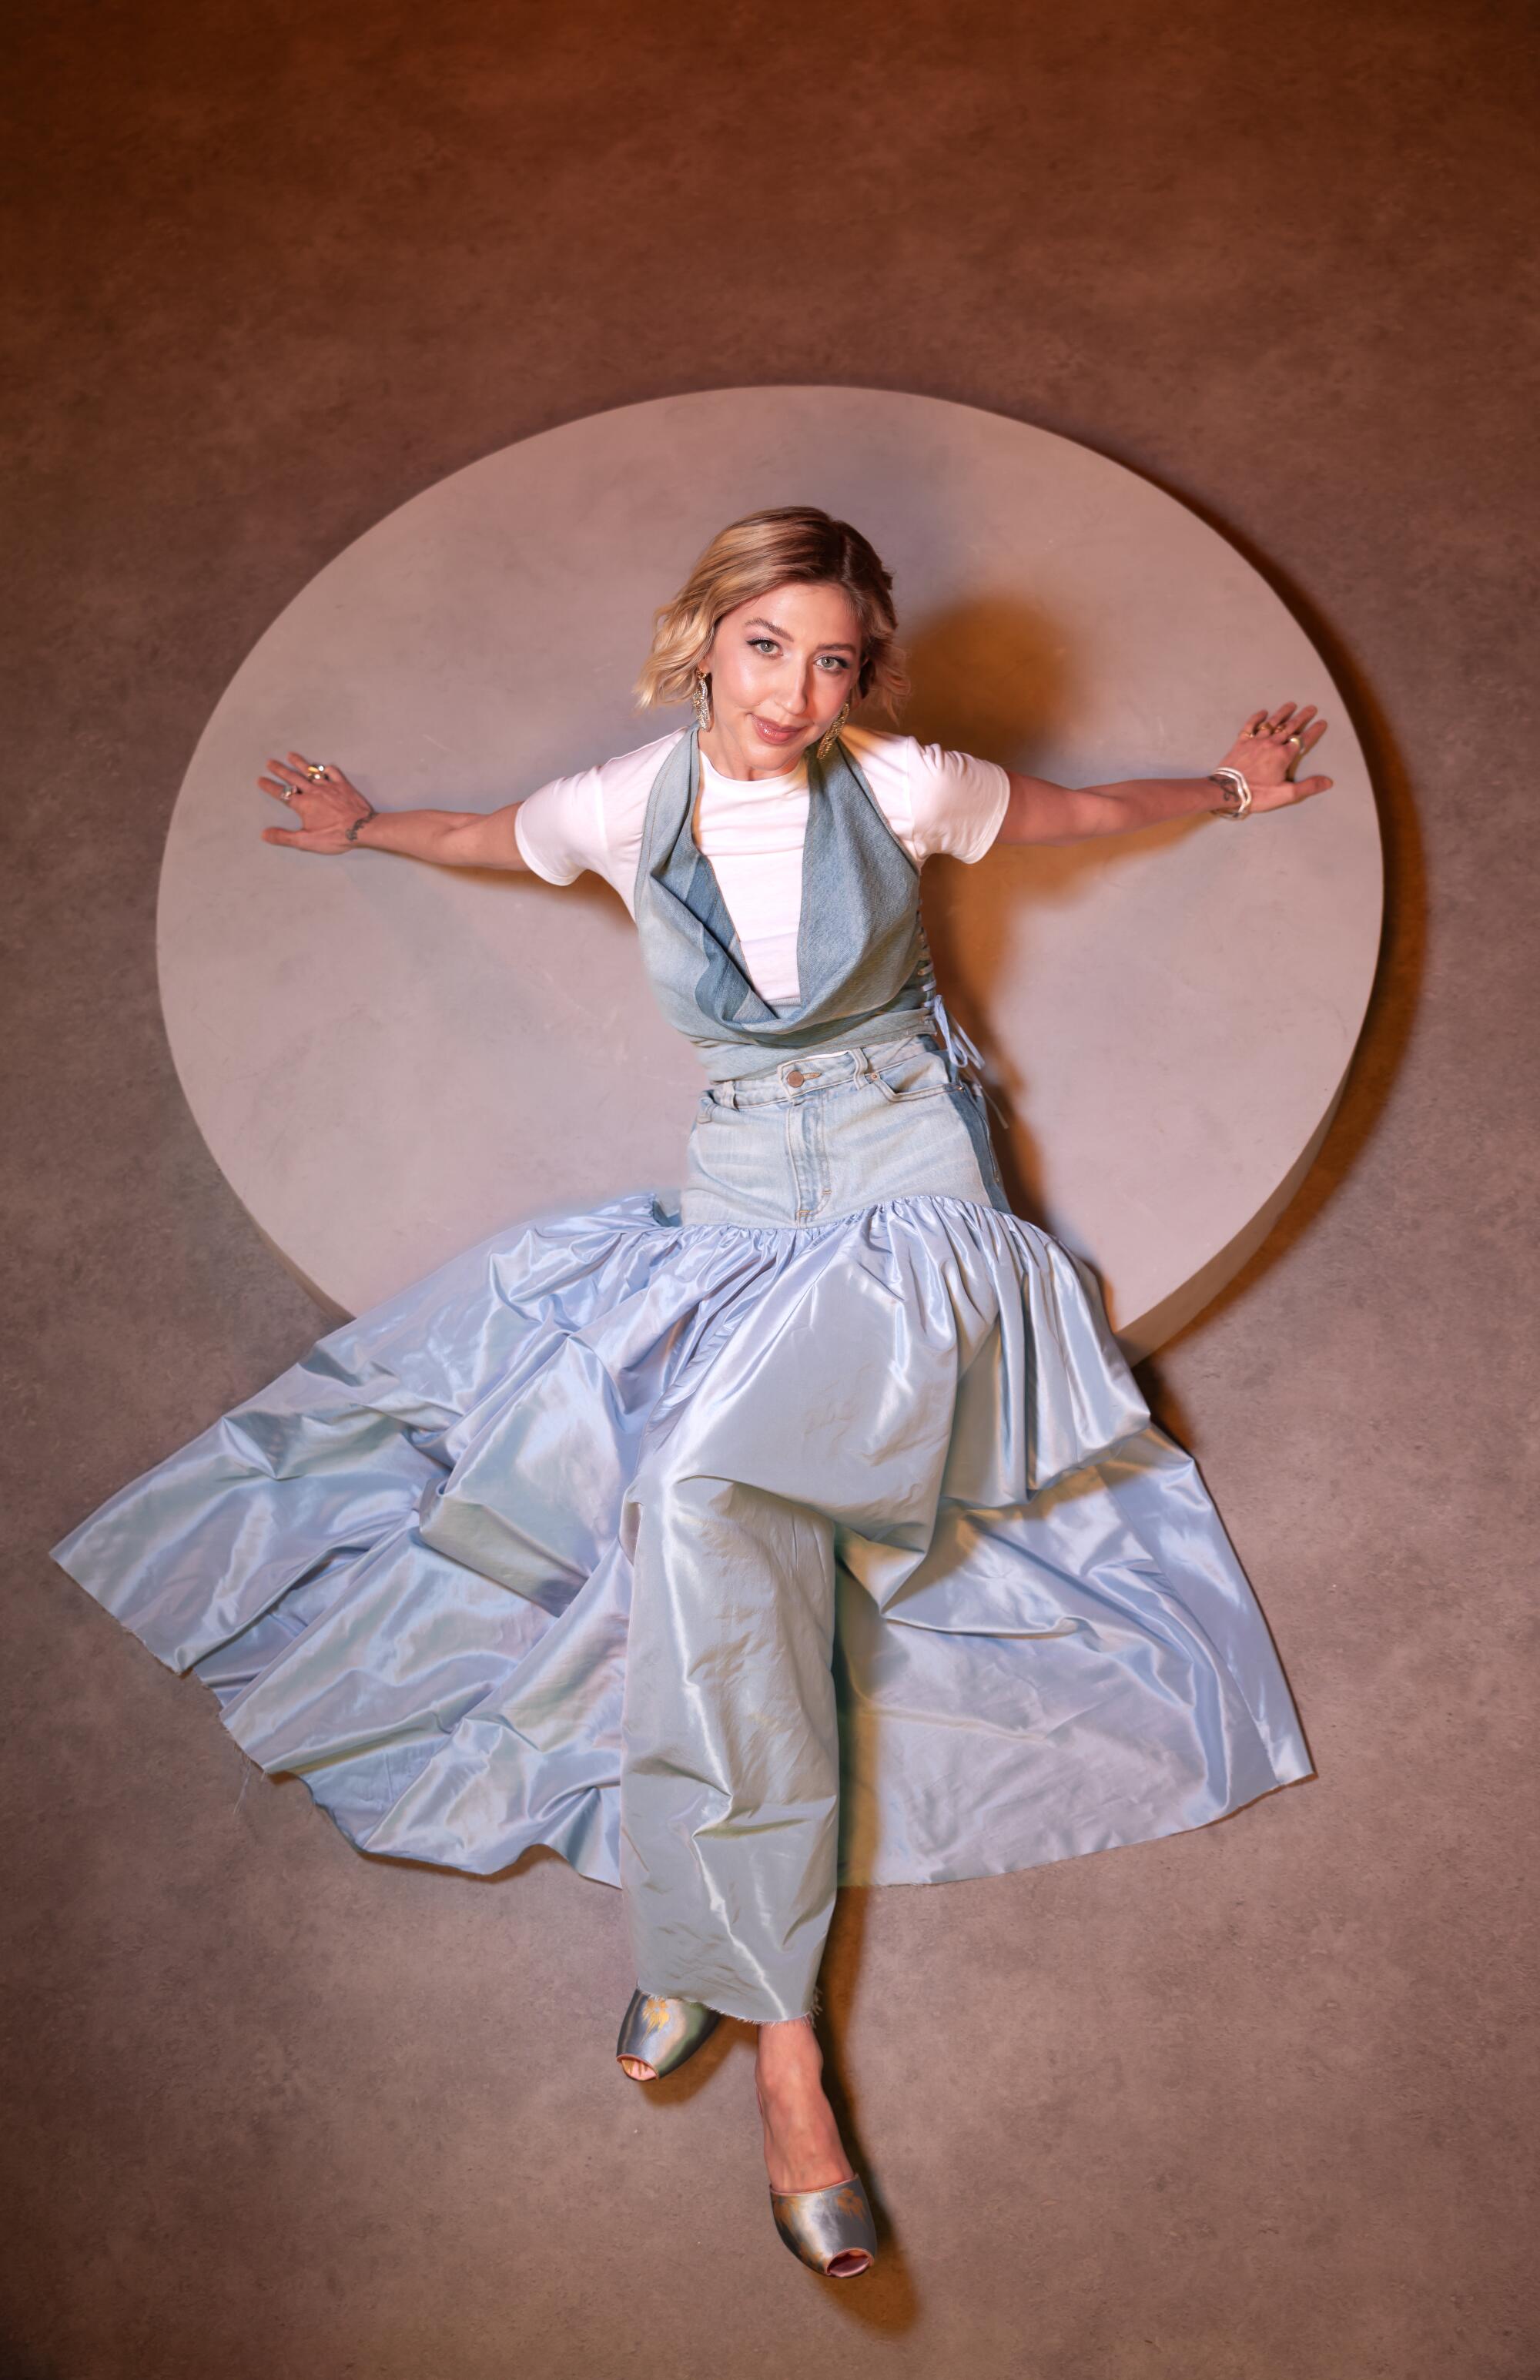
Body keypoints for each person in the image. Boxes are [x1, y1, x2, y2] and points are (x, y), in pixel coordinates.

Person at [50, 504, 1332, 2281]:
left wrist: (1227, 786)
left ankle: (775, 2044)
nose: (798, 692)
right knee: (672, 1505)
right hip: (736, 1197)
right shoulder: (619, 806)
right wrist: (366, 829)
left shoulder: (903, 786)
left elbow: (1069, 812)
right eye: (765, 649)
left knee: (709, 1501)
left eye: (833, 659)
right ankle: (730, 1941)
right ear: (700, 638)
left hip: (905, 1188)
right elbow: (494, 839)